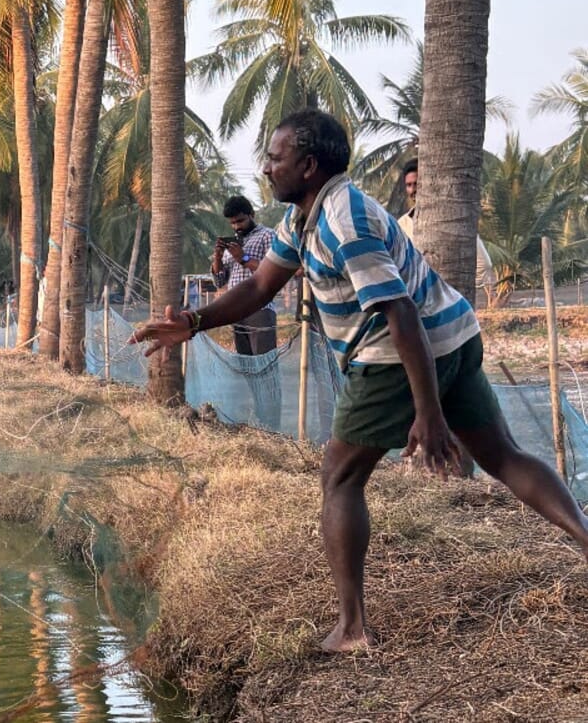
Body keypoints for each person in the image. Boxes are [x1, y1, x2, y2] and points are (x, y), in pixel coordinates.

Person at [130, 109, 588, 653]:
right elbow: (257, 289)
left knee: (340, 478)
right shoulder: (303, 219)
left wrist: (429, 414)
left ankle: (352, 629)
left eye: (276, 158)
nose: (267, 168)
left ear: (308, 165)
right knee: (505, 456)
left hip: (399, 353)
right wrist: (194, 321)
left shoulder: (343, 220)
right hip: (456, 335)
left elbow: (399, 312)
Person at [399, 158, 496, 306]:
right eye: (409, 185)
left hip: (451, 303)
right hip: (417, 305)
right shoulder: (401, 225)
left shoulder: (453, 221)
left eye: (417, 184)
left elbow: (484, 265)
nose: (413, 190)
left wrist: (453, 289)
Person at [212, 195, 278, 356]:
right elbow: (219, 281)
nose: (236, 226)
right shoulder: (232, 244)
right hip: (236, 310)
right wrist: (218, 257)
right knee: (246, 365)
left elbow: (274, 270)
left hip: (259, 309)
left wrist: (244, 258)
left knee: (264, 363)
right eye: (232, 223)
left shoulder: (267, 235)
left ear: (252, 215)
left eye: (240, 221)